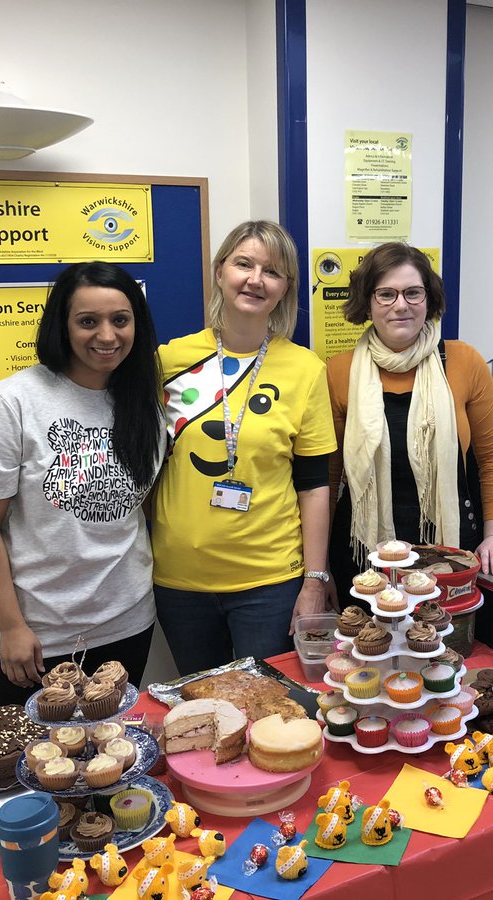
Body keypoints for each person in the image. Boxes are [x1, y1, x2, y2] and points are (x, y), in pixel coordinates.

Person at [0, 262, 165, 706]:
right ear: (62, 326)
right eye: (87, 321)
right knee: (39, 749)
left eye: (120, 320)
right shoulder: (13, 401)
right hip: (36, 633)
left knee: (114, 743)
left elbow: (139, 507)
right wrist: (11, 626)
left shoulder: (144, 399)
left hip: (126, 621)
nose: (106, 336)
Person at [150, 220, 336, 675]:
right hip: (180, 580)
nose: (256, 279)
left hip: (270, 582)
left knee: (269, 705)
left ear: (285, 287)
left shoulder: (305, 368)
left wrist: (315, 580)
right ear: (220, 272)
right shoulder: (169, 360)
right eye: (244, 264)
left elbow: (314, 485)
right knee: (201, 707)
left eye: (272, 271)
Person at [326, 242, 493, 585]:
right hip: (362, 554)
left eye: (413, 293)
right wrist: (318, 567)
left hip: (451, 551)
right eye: (386, 294)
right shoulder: (339, 372)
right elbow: (328, 475)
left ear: (429, 300)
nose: (401, 305)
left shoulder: (464, 362)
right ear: (367, 303)